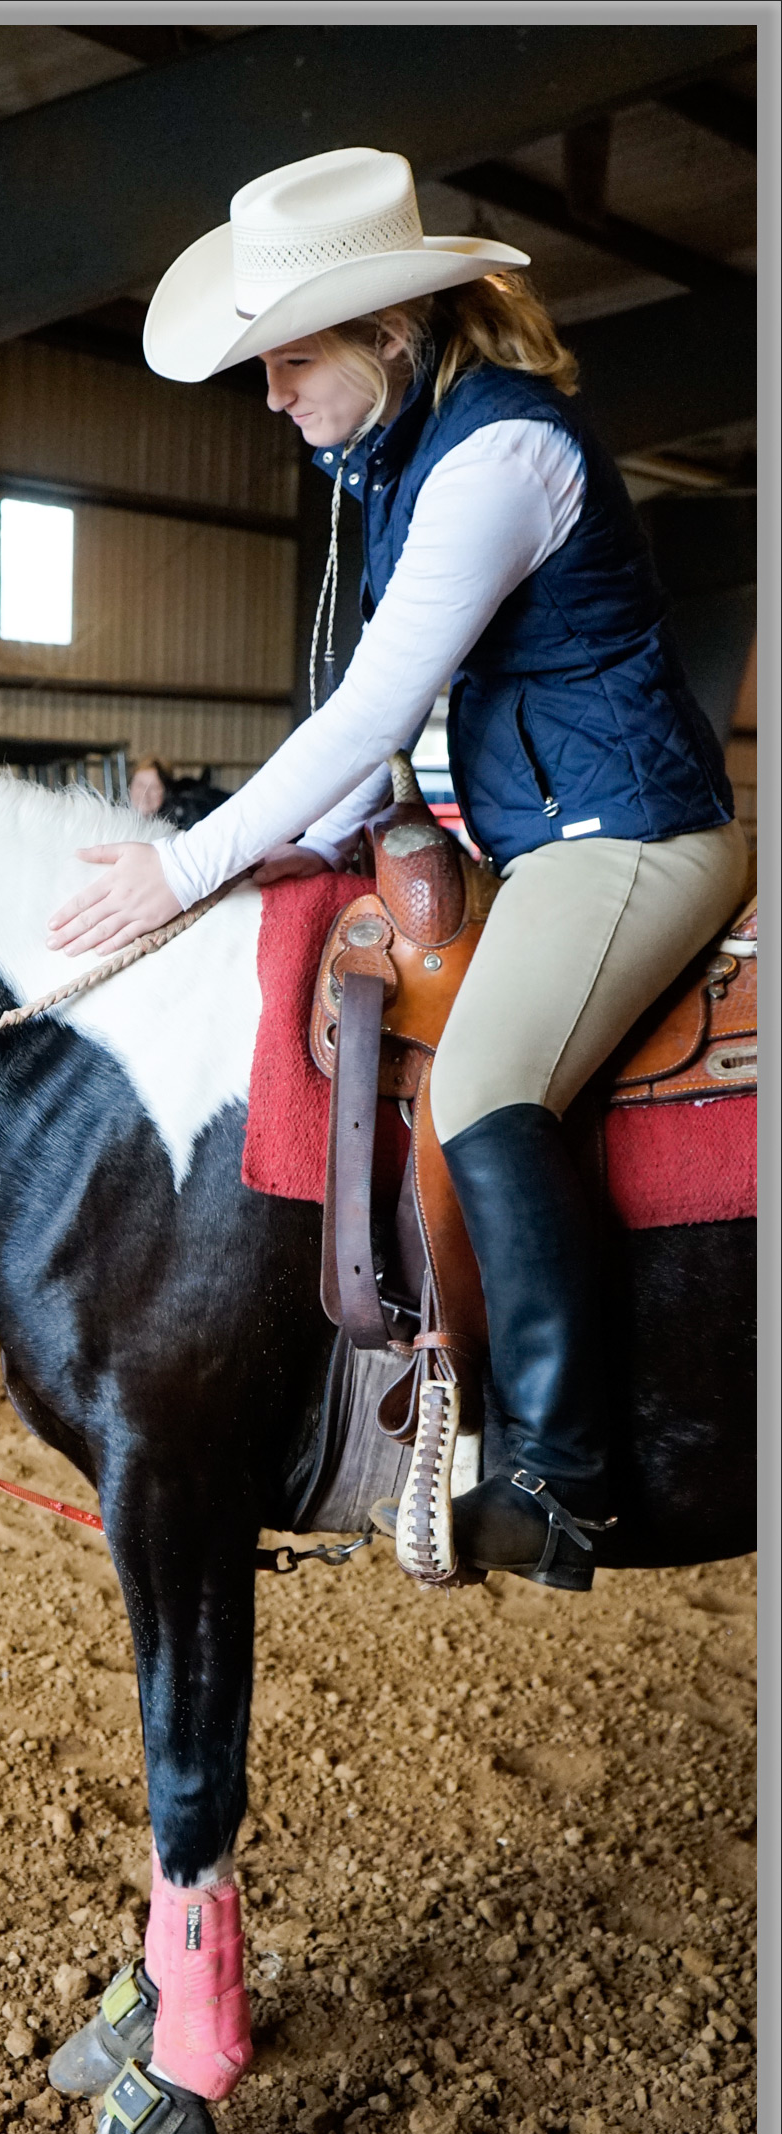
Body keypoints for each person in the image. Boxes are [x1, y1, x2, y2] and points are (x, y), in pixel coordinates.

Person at [48, 147, 746, 1592]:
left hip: (629, 834)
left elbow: (372, 708)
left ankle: (561, 1481)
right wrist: (274, 851)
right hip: (530, 833)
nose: (274, 395)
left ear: (388, 333)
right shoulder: (397, 458)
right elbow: (376, 753)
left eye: (293, 361)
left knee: (490, 1082)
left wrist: (185, 861)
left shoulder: (498, 451)